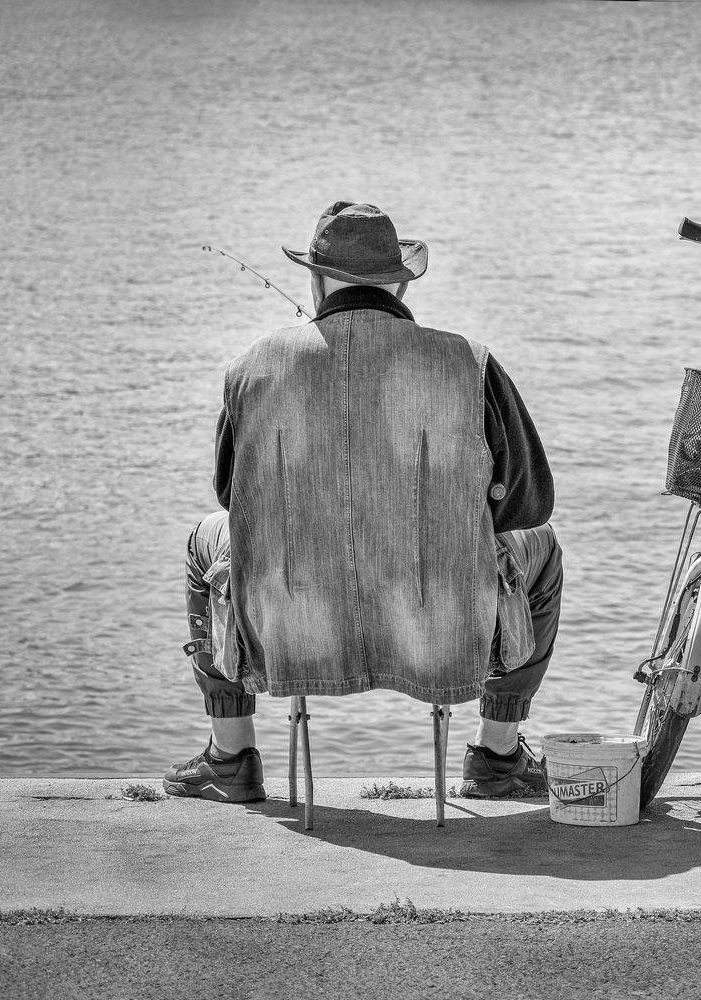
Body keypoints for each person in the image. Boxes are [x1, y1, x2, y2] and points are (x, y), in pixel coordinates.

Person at [163, 201, 561, 803]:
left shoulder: (250, 367)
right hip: (440, 629)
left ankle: (232, 754)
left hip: (291, 627)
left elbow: (231, 495)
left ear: (317, 280)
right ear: (399, 282)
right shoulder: (470, 363)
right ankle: (498, 758)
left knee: (204, 540)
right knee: (543, 549)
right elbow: (528, 504)